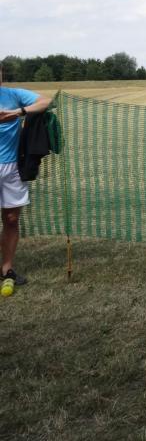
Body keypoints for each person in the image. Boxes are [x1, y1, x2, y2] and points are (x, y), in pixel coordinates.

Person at [0, 63, 52, 295]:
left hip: (12, 166)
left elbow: (46, 101)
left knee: (11, 219)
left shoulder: (13, 94)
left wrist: (18, 112)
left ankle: (6, 269)